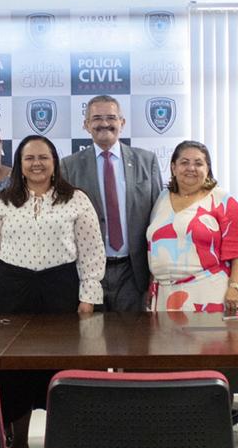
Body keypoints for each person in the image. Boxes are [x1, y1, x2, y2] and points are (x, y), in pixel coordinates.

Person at [0, 134, 105, 448]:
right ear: (19, 164)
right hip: (12, 293)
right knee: (14, 372)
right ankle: (18, 443)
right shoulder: (4, 201)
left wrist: (88, 298)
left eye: (43, 157)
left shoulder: (76, 199)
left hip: (61, 291)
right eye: (29, 158)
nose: (36, 164)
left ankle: (63, 442)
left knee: (63, 366)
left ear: (55, 161)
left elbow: (92, 253)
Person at [60, 95, 164, 311]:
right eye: (97, 118)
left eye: (111, 117)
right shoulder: (69, 167)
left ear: (122, 123)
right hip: (88, 273)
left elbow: (159, 219)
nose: (104, 123)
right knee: (91, 339)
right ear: (86, 125)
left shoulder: (147, 161)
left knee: (135, 340)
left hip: (133, 272)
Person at [148, 140, 238, 313]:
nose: (191, 168)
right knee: (164, 341)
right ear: (173, 167)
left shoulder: (222, 200)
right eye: (184, 162)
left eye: (198, 163)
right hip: (165, 298)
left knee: (209, 341)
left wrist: (236, 288)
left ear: (207, 169)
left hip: (208, 295)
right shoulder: (162, 198)